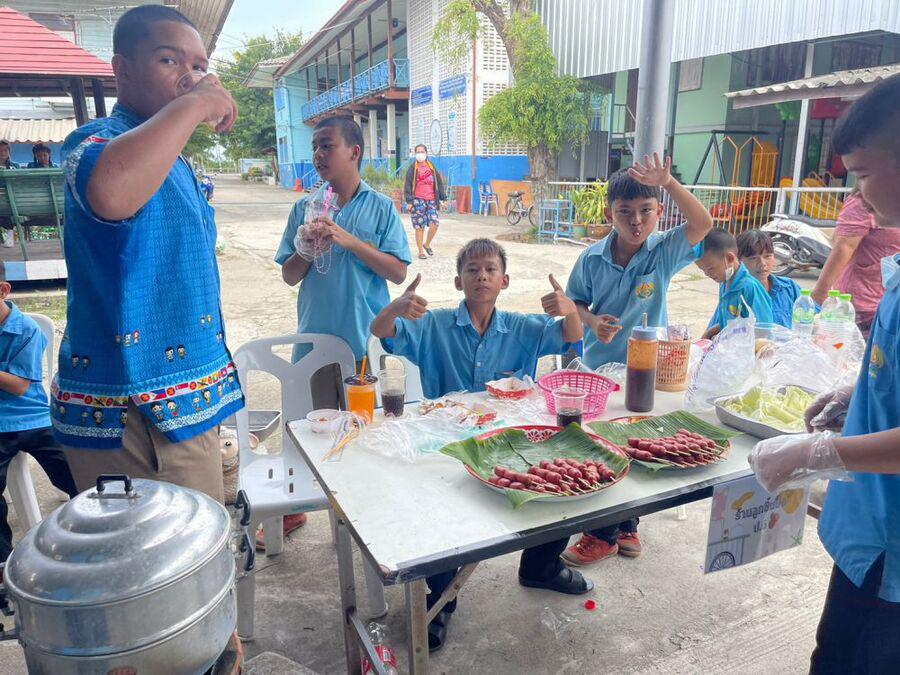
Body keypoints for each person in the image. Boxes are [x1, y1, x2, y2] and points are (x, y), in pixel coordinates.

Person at [52, 5, 244, 503]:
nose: (190, 77)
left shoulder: (173, 159)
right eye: (168, 60)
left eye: (199, 66)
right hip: (133, 413)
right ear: (122, 69)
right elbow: (111, 190)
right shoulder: (97, 141)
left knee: (200, 541)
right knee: (163, 551)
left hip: (182, 407)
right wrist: (195, 105)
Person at [748, 72, 900, 672]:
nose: (856, 195)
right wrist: (858, 393)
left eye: (861, 174)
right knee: (834, 652)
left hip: (894, 545)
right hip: (869, 527)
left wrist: (816, 454)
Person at [371, 238, 588, 652]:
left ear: (504, 281)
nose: (481, 276)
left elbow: (570, 336)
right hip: (447, 441)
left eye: (490, 269)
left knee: (560, 474)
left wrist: (571, 310)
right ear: (458, 281)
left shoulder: (522, 327)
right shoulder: (434, 324)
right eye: (472, 270)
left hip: (508, 439)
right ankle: (441, 598)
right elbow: (382, 332)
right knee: (438, 510)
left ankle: (541, 566)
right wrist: (395, 308)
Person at [562, 154, 713, 567]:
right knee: (602, 445)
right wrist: (592, 321)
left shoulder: (663, 252)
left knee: (638, 445)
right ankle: (603, 532)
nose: (636, 221)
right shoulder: (591, 258)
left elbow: (703, 224)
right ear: (608, 213)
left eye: (646, 211)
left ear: (659, 211)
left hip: (646, 371)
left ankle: (624, 527)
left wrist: (670, 183)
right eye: (624, 212)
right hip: (600, 373)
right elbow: (575, 302)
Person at [275, 116, 411, 409]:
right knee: (318, 426)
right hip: (314, 344)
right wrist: (305, 251)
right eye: (315, 147)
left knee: (365, 426)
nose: (318, 154)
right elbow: (289, 276)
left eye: (327, 146)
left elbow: (399, 273)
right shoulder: (305, 208)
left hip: (364, 342)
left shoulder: (381, 207)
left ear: (354, 152)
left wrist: (352, 242)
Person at [0, 261, 78, 563]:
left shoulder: (26, 329)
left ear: (3, 290)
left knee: (77, 475)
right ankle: (4, 563)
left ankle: (90, 535)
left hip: (34, 418)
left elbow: (19, 386)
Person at [811, 190, 900, 336]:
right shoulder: (865, 198)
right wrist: (820, 294)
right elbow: (844, 246)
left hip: (892, 304)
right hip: (863, 308)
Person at [697, 227, 774, 339]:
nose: (707, 274)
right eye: (703, 270)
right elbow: (726, 322)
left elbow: (764, 330)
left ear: (729, 258)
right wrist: (707, 335)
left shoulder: (749, 287)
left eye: (710, 269)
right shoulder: (724, 283)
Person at [736, 229, 802, 328]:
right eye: (753, 258)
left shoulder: (789, 288)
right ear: (739, 261)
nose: (762, 263)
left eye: (767, 256)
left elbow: (811, 317)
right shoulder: (736, 293)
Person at [403, 144, 446, 259]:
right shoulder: (413, 168)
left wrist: (443, 198)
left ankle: (426, 244)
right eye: (418, 152)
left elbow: (439, 183)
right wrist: (409, 202)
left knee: (434, 223)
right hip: (418, 200)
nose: (420, 154)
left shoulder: (431, 167)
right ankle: (421, 251)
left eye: (422, 151)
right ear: (415, 154)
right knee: (419, 227)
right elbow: (407, 185)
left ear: (426, 153)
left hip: (431, 200)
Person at [0, 141, 17, 248]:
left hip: (12, 199)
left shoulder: (15, 166)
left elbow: (19, 182)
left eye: (5, 150)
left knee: (10, 206)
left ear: (9, 151)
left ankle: (10, 235)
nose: (2, 153)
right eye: (0, 150)